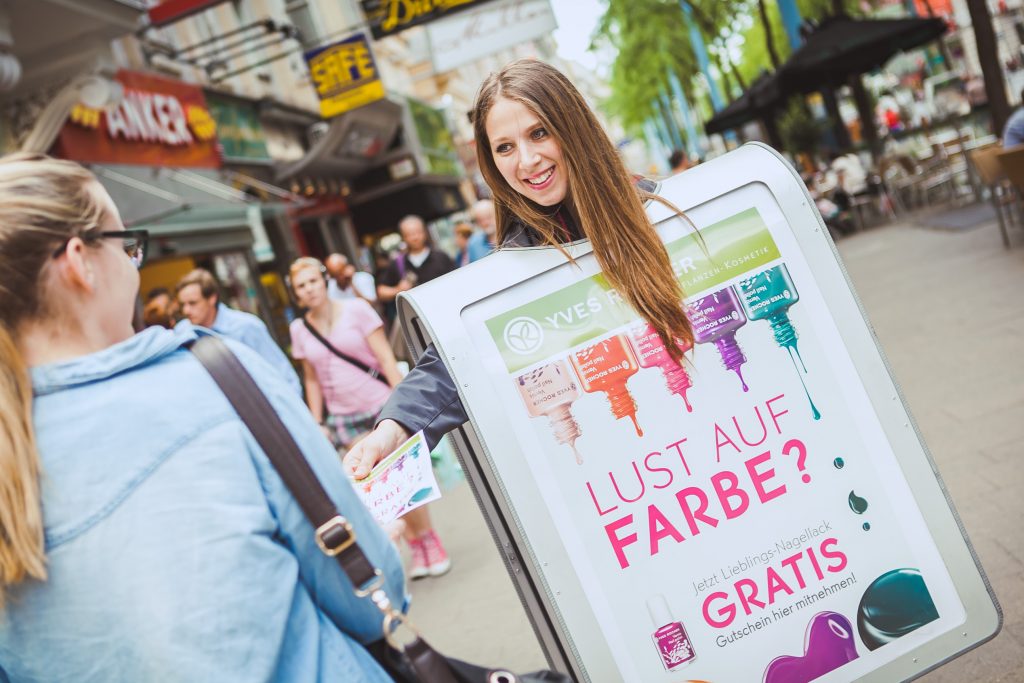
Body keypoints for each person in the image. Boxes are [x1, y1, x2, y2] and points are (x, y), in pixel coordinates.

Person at [0, 153, 405, 681]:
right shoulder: (218, 380)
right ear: (80, 262)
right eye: (127, 245)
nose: (134, 262)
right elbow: (373, 598)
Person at [344, 58, 696, 483]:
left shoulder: (666, 211)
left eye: (539, 133)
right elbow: (453, 363)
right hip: (630, 473)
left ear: (573, 127)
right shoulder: (514, 267)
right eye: (505, 147)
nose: (526, 160)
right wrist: (391, 431)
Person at [289, 256, 451, 578]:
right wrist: (317, 421)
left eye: (312, 281)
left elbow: (386, 359)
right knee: (375, 487)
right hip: (343, 417)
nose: (308, 290)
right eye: (300, 286)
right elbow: (311, 379)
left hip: (381, 406)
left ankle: (430, 541)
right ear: (295, 293)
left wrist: (405, 405)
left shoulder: (356, 310)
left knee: (401, 482)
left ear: (324, 281)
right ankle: (416, 546)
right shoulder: (299, 329)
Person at [176, 268, 301, 395]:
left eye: (193, 303)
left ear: (212, 298)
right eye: (183, 305)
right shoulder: (182, 331)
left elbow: (282, 374)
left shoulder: (246, 326)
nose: (186, 310)